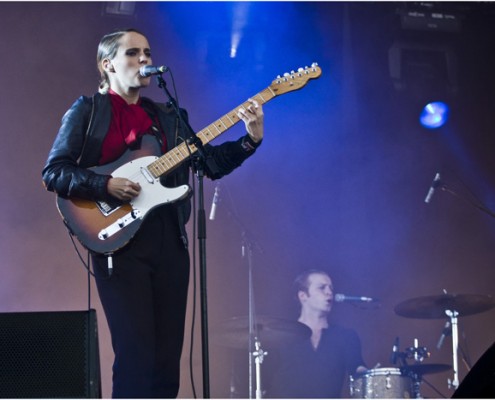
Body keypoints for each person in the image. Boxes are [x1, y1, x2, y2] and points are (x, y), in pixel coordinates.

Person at [42, 28, 264, 398]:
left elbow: (210, 165)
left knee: (166, 362)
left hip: (169, 242)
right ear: (107, 63)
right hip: (119, 243)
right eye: (133, 53)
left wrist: (250, 138)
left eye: (146, 52)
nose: (144, 60)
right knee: (135, 357)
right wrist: (104, 186)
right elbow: (54, 172)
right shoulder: (88, 110)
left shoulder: (169, 117)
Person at [266, 269, 367, 398]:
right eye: (322, 288)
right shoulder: (280, 335)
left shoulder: (346, 336)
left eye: (331, 288)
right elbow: (264, 378)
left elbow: (357, 368)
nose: (329, 292)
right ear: (303, 296)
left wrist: (375, 375)